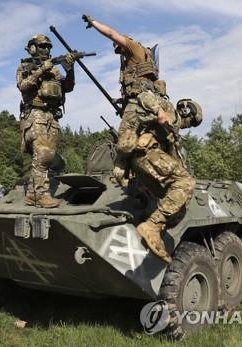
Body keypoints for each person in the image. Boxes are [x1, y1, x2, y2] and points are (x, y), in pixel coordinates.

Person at [83, 15, 196, 263]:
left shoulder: (137, 52)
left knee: (177, 199)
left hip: (146, 152)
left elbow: (112, 33)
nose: (118, 52)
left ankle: (152, 223)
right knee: (185, 183)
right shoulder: (147, 95)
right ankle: (152, 224)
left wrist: (94, 24)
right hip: (146, 153)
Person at [16, 34, 76, 208]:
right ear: (33, 47)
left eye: (49, 47)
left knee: (46, 158)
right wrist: (41, 70)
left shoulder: (55, 71)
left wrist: (70, 69)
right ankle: (42, 195)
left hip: (52, 116)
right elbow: (23, 86)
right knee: (43, 156)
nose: (47, 49)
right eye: (42, 46)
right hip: (35, 115)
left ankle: (32, 195)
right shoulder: (25, 66)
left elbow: (68, 87)